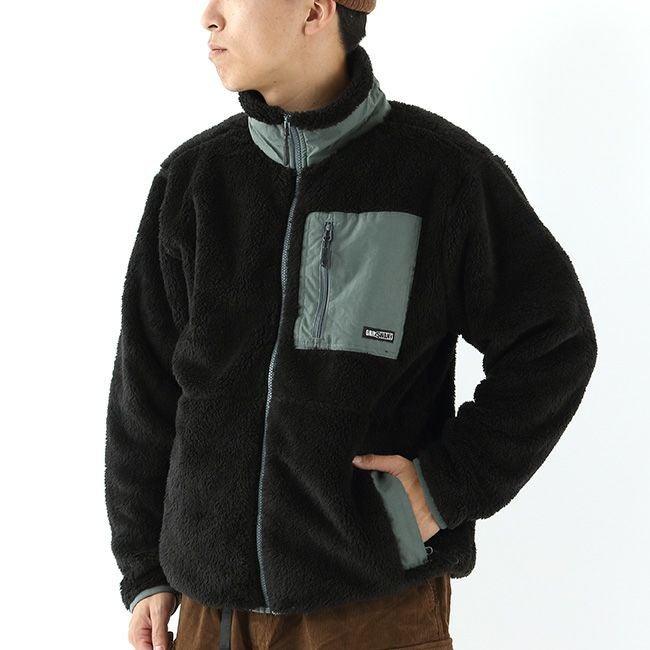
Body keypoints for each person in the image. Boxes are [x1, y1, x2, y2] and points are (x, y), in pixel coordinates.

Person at [104, 1, 598, 649]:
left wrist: (445, 487)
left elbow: (554, 342)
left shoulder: (440, 173)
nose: (209, 16)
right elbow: (143, 390)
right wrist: (145, 568)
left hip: (372, 610)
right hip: (208, 614)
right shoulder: (194, 182)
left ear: (314, 10)